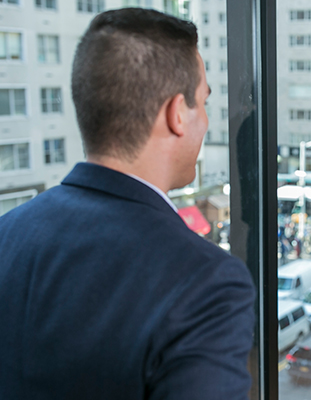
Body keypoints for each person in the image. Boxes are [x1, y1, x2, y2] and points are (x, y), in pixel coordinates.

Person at [0, 8, 255, 400]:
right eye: (202, 102)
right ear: (176, 115)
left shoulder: (8, 232)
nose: (206, 120)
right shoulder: (208, 283)